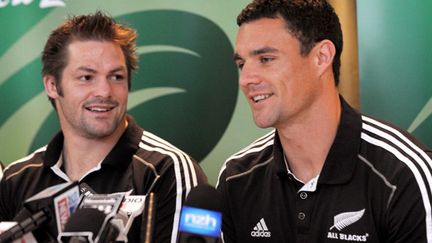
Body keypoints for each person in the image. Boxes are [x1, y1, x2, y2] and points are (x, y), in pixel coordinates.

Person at [216, 0, 432, 242]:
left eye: (266, 59)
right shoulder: (236, 176)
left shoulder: (402, 173)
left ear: (322, 56)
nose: (246, 79)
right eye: (241, 64)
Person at [0, 11, 207, 242]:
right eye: (86, 77)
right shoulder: (16, 178)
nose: (105, 91)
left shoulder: (167, 170)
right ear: (52, 85)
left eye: (116, 76)